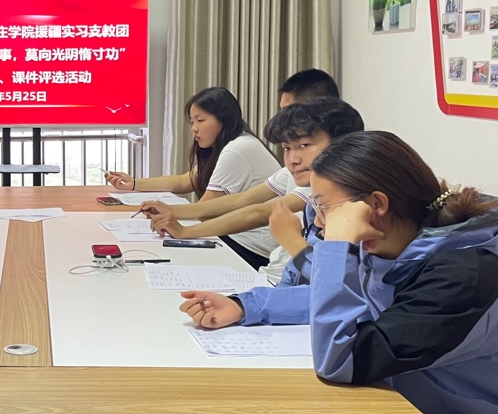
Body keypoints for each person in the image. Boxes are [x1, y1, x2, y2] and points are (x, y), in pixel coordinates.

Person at [180, 131, 498, 414]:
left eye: (325, 209)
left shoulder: (460, 279)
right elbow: (348, 300)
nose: (320, 224)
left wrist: (337, 247)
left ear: (376, 205)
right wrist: (244, 305)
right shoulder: (399, 252)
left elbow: (341, 361)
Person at [146, 98, 363, 284]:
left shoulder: (340, 199)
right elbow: (243, 199)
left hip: (271, 269)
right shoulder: (305, 187)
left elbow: (259, 212)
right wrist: (172, 213)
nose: (293, 159)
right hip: (275, 277)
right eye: (287, 148)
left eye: (304, 145)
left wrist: (184, 231)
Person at [106, 87, 281, 269]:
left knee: (168, 256)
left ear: (224, 119)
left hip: (252, 249)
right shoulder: (229, 145)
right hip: (237, 237)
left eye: (201, 120)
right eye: (192, 121)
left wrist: (169, 213)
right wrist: (133, 183)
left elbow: (204, 211)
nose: (194, 128)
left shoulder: (238, 149)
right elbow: (185, 181)